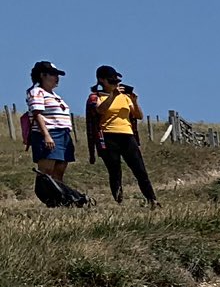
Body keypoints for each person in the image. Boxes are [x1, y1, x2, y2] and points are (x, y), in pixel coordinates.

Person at [86, 66, 156, 206]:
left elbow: (138, 116)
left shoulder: (125, 97)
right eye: (111, 80)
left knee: (139, 169)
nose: (115, 82)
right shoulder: (96, 97)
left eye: (116, 80)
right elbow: (99, 110)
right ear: (101, 80)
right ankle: (119, 201)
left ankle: (152, 199)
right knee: (115, 171)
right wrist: (113, 95)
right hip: (108, 136)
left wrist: (134, 101)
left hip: (127, 135)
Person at [25, 62, 88, 206]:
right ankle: (48, 199)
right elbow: (37, 114)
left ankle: (61, 198)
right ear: (43, 75)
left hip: (63, 134)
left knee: (59, 169)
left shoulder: (55, 95)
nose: (57, 78)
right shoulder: (36, 92)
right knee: (46, 170)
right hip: (49, 132)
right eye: (53, 75)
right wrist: (46, 135)